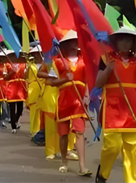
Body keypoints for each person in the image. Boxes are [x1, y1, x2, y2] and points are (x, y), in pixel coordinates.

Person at [95, 26, 136, 183]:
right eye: (122, 39)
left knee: (131, 151)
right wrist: (108, 70)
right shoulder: (107, 59)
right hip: (113, 111)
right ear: (116, 41)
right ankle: (103, 173)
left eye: (129, 39)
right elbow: (98, 83)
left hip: (133, 111)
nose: (125, 43)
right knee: (112, 146)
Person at [49, 30, 91, 176]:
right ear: (65, 44)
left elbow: (87, 81)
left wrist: (87, 96)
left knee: (80, 133)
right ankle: (64, 162)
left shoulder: (84, 60)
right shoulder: (57, 61)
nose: (75, 43)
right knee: (63, 135)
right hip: (63, 101)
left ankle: (82, 166)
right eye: (72, 40)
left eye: (76, 40)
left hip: (79, 101)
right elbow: (51, 82)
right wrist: (65, 79)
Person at [36, 46, 77, 161]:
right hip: (51, 93)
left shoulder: (72, 61)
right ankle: (51, 150)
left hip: (66, 93)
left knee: (68, 122)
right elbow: (40, 74)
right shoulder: (50, 60)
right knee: (51, 124)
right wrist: (51, 75)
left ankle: (68, 149)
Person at [3, 51, 28, 134]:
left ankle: (16, 120)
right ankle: (13, 126)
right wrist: (12, 71)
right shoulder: (7, 64)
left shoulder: (23, 64)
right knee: (12, 108)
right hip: (12, 87)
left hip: (20, 86)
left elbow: (26, 76)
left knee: (20, 108)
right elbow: (5, 77)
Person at [26, 47, 44, 139]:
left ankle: (42, 131)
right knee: (34, 111)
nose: (36, 55)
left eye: (38, 53)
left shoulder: (47, 64)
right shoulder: (31, 66)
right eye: (35, 54)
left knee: (42, 112)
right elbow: (26, 77)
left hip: (44, 89)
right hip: (34, 89)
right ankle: (34, 131)